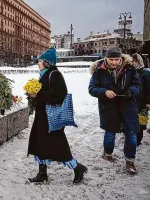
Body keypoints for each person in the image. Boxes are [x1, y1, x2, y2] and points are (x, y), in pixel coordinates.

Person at [28, 47, 87, 184]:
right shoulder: (45, 74)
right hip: (43, 116)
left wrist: (38, 95)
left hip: (51, 118)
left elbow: (59, 96)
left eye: (40, 61)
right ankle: (42, 174)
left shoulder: (54, 74)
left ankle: (78, 168)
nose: (38, 63)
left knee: (58, 145)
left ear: (46, 62)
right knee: (39, 143)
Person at [88, 46, 141, 174]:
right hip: (109, 108)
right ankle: (107, 154)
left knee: (131, 134)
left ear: (120, 58)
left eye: (116, 59)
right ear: (106, 58)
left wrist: (131, 91)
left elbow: (138, 84)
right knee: (110, 133)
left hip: (128, 107)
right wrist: (104, 91)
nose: (114, 62)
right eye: (111, 59)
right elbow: (92, 88)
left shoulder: (130, 68)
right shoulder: (99, 70)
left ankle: (130, 161)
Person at [132, 53, 150, 145]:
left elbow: (149, 89)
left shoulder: (146, 73)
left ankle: (138, 140)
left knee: (141, 121)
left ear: (139, 61)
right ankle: (131, 136)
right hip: (131, 101)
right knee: (131, 119)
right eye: (132, 61)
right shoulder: (130, 71)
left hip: (142, 102)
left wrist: (148, 102)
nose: (133, 63)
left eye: (134, 61)